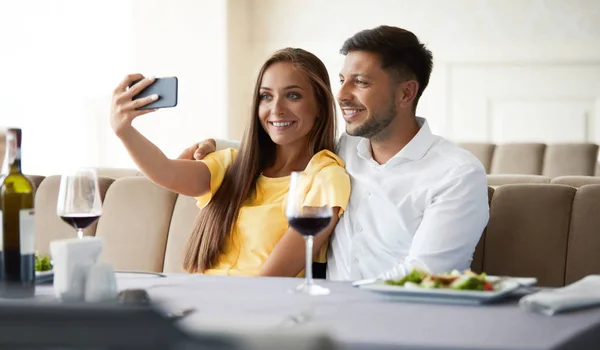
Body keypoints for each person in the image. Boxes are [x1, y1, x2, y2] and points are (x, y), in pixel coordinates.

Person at [179, 26, 489, 281]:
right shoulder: (343, 151)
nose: (340, 94)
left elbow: (425, 275)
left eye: (361, 82)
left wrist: (346, 302)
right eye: (342, 80)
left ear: (406, 92)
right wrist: (216, 144)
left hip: (404, 320)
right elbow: (283, 146)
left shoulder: (456, 174)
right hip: (327, 318)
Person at [110, 48, 351, 277]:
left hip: (255, 309)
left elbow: (272, 280)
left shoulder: (325, 177)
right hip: (199, 298)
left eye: (293, 95)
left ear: (319, 105)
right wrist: (123, 130)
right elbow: (165, 172)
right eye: (266, 96)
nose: (276, 109)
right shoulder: (233, 165)